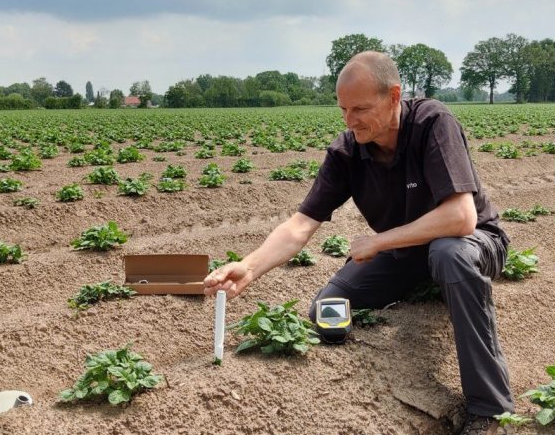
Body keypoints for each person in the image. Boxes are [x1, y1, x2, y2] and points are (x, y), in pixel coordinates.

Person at [204, 51, 513, 435]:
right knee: (326, 308)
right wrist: (248, 267)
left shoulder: (433, 122)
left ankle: (487, 409)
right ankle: (428, 285)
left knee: (447, 253)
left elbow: (461, 217)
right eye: (343, 110)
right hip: (408, 253)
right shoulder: (347, 151)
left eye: (361, 109)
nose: (350, 121)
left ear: (394, 95)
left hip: (473, 242)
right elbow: (301, 224)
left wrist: (380, 241)